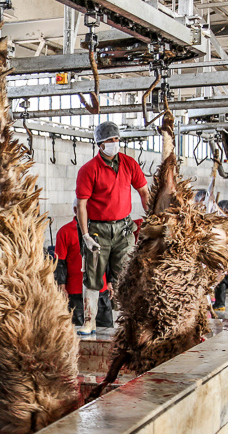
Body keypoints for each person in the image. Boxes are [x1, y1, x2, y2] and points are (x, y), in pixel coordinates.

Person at [75, 121, 149, 335]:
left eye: (116, 139)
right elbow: (81, 205)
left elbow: (144, 192)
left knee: (126, 276)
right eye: (109, 140)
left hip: (124, 230)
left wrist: (152, 214)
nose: (114, 143)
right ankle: (89, 321)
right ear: (99, 143)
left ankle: (126, 323)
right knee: (93, 276)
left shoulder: (129, 164)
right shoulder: (88, 170)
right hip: (98, 231)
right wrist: (86, 235)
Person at [54, 204, 113, 329]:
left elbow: (107, 258)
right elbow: (60, 263)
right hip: (76, 294)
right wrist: (61, 286)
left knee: (106, 330)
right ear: (76, 210)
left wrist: (110, 281)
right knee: (79, 333)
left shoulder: (102, 230)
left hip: (101, 291)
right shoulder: (65, 232)